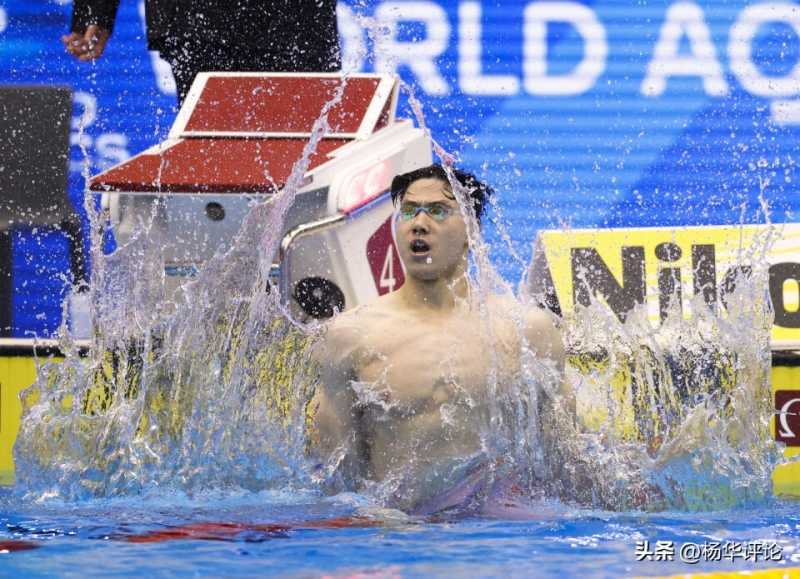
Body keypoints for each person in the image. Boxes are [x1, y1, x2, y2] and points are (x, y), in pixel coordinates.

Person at [311, 164, 569, 516]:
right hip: (398, 529)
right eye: (408, 211)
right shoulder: (352, 335)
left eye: (437, 210)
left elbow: (563, 455)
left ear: (471, 231)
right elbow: (332, 476)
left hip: (500, 531)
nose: (418, 223)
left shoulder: (526, 330)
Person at [62, 0, 341, 104]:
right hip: (199, 22)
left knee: (303, 151)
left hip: (297, 22)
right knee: (208, 150)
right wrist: (95, 10)